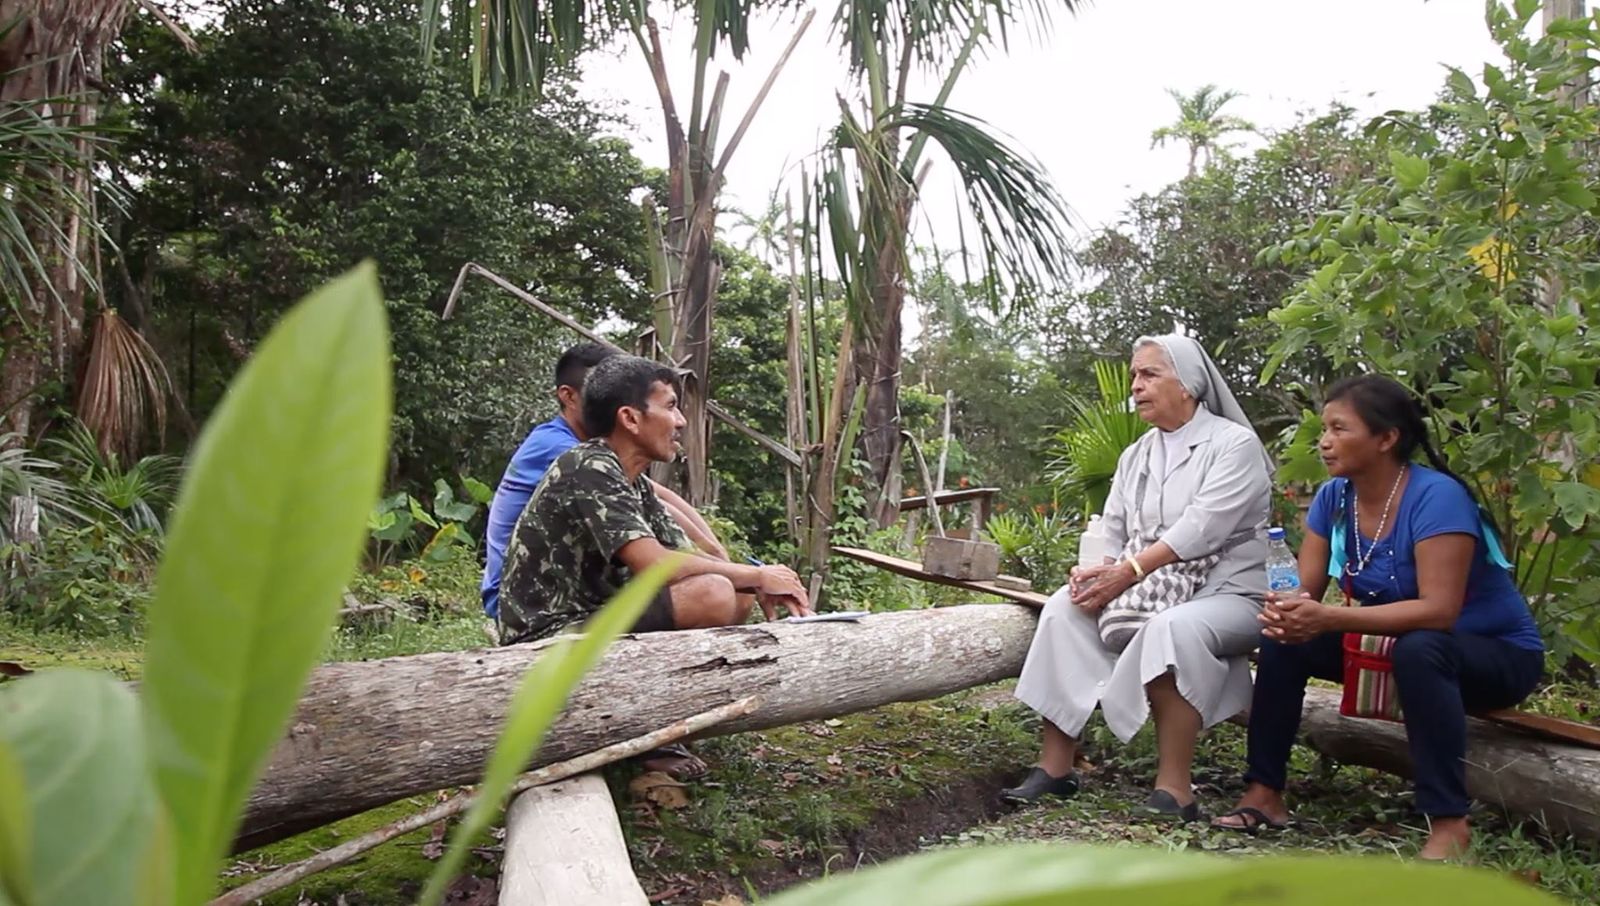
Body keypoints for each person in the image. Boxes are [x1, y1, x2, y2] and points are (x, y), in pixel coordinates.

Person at [1213, 374, 1544, 860]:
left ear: (1386, 439)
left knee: (1421, 647)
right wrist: (1291, 611)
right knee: (1288, 638)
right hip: (1399, 643)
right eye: (1323, 429)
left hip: (1494, 654)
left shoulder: (1436, 497)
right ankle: (1264, 792)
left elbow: (1439, 610)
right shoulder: (1334, 498)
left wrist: (1326, 617)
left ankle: (1449, 821)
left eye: (1340, 429)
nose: (1325, 442)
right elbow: (1304, 590)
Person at [1002, 334, 1273, 821]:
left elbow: (1204, 528)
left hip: (1231, 592)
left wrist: (1125, 573)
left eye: (1149, 374)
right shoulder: (1137, 454)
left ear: (1188, 384)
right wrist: (1099, 570)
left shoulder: (1235, 445)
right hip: (1146, 586)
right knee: (1067, 606)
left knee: (1174, 628)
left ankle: (1176, 789)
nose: (1136, 385)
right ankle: (1056, 766)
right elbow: (1115, 528)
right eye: (1134, 375)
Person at [499, 353, 814, 646]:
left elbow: (683, 556)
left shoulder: (633, 481)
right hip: (547, 634)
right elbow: (655, 564)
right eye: (670, 406)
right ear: (631, 419)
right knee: (713, 591)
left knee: (736, 589)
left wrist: (757, 582)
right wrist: (759, 574)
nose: (681, 421)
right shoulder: (587, 465)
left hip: (595, 617)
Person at [480, 342, 728, 620]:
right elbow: (657, 545)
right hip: (530, 599)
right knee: (712, 592)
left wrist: (720, 556)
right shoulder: (568, 452)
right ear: (569, 396)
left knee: (729, 588)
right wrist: (731, 565)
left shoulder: (614, 463)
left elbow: (663, 503)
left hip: (585, 584)